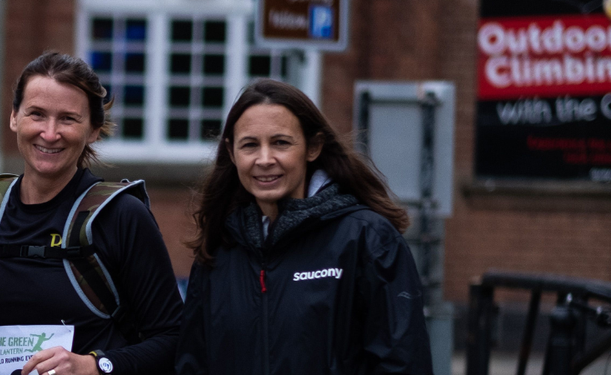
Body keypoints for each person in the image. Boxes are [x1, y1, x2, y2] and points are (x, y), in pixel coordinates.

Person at [0, 52, 184, 375]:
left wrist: (94, 366)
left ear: (94, 129)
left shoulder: (121, 216)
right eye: (37, 114)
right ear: (14, 117)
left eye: (68, 119)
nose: (50, 134)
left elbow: (174, 337)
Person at [173, 79, 431, 374]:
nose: (265, 159)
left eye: (281, 143)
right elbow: (193, 363)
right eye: (250, 145)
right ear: (232, 154)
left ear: (313, 147)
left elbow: (404, 363)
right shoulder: (219, 247)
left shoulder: (367, 239)